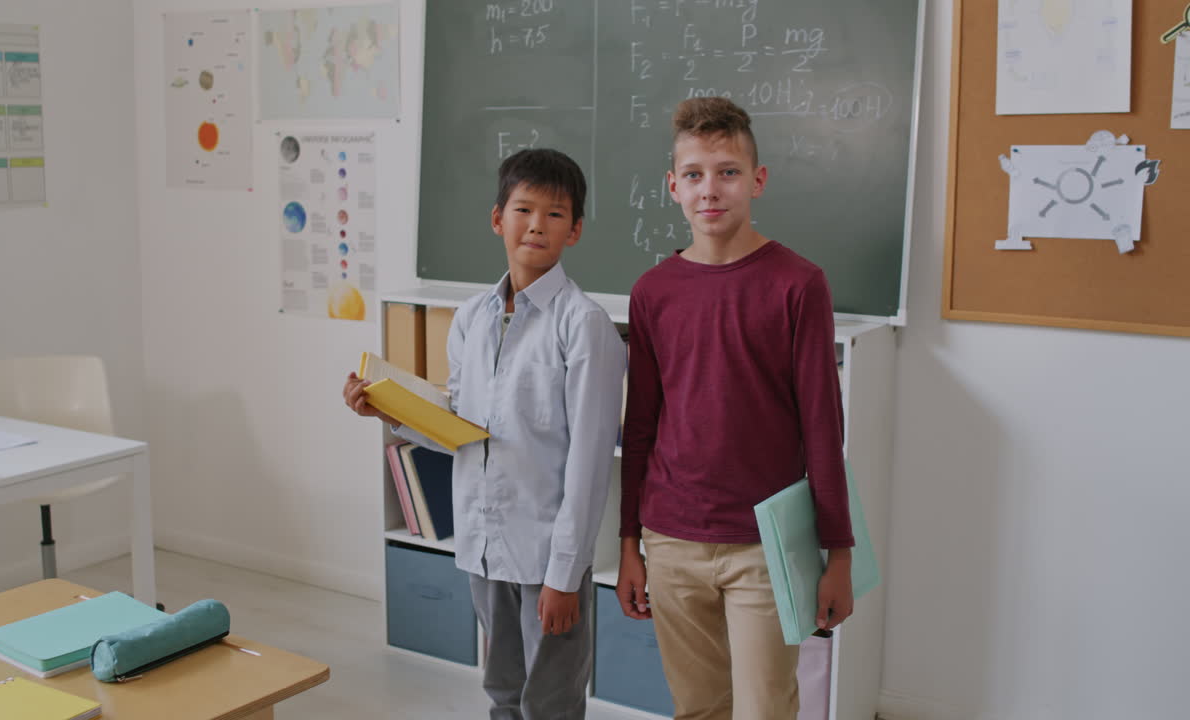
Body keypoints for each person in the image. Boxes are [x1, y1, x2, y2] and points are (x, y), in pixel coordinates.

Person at [344, 148, 625, 720]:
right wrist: (389, 413)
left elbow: (591, 465)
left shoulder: (585, 325)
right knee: (501, 693)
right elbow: (462, 433)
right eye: (524, 209)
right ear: (498, 219)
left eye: (554, 213)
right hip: (482, 543)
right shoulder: (472, 318)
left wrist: (566, 576)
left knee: (549, 703)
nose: (537, 225)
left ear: (575, 230)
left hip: (547, 554)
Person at [615, 97, 855, 720]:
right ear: (673, 187)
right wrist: (628, 545)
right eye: (694, 174)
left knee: (765, 709)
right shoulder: (653, 292)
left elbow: (823, 429)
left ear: (758, 179)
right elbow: (639, 425)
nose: (710, 189)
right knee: (698, 709)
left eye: (727, 171)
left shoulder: (798, 284)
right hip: (671, 540)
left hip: (763, 544)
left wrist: (839, 556)